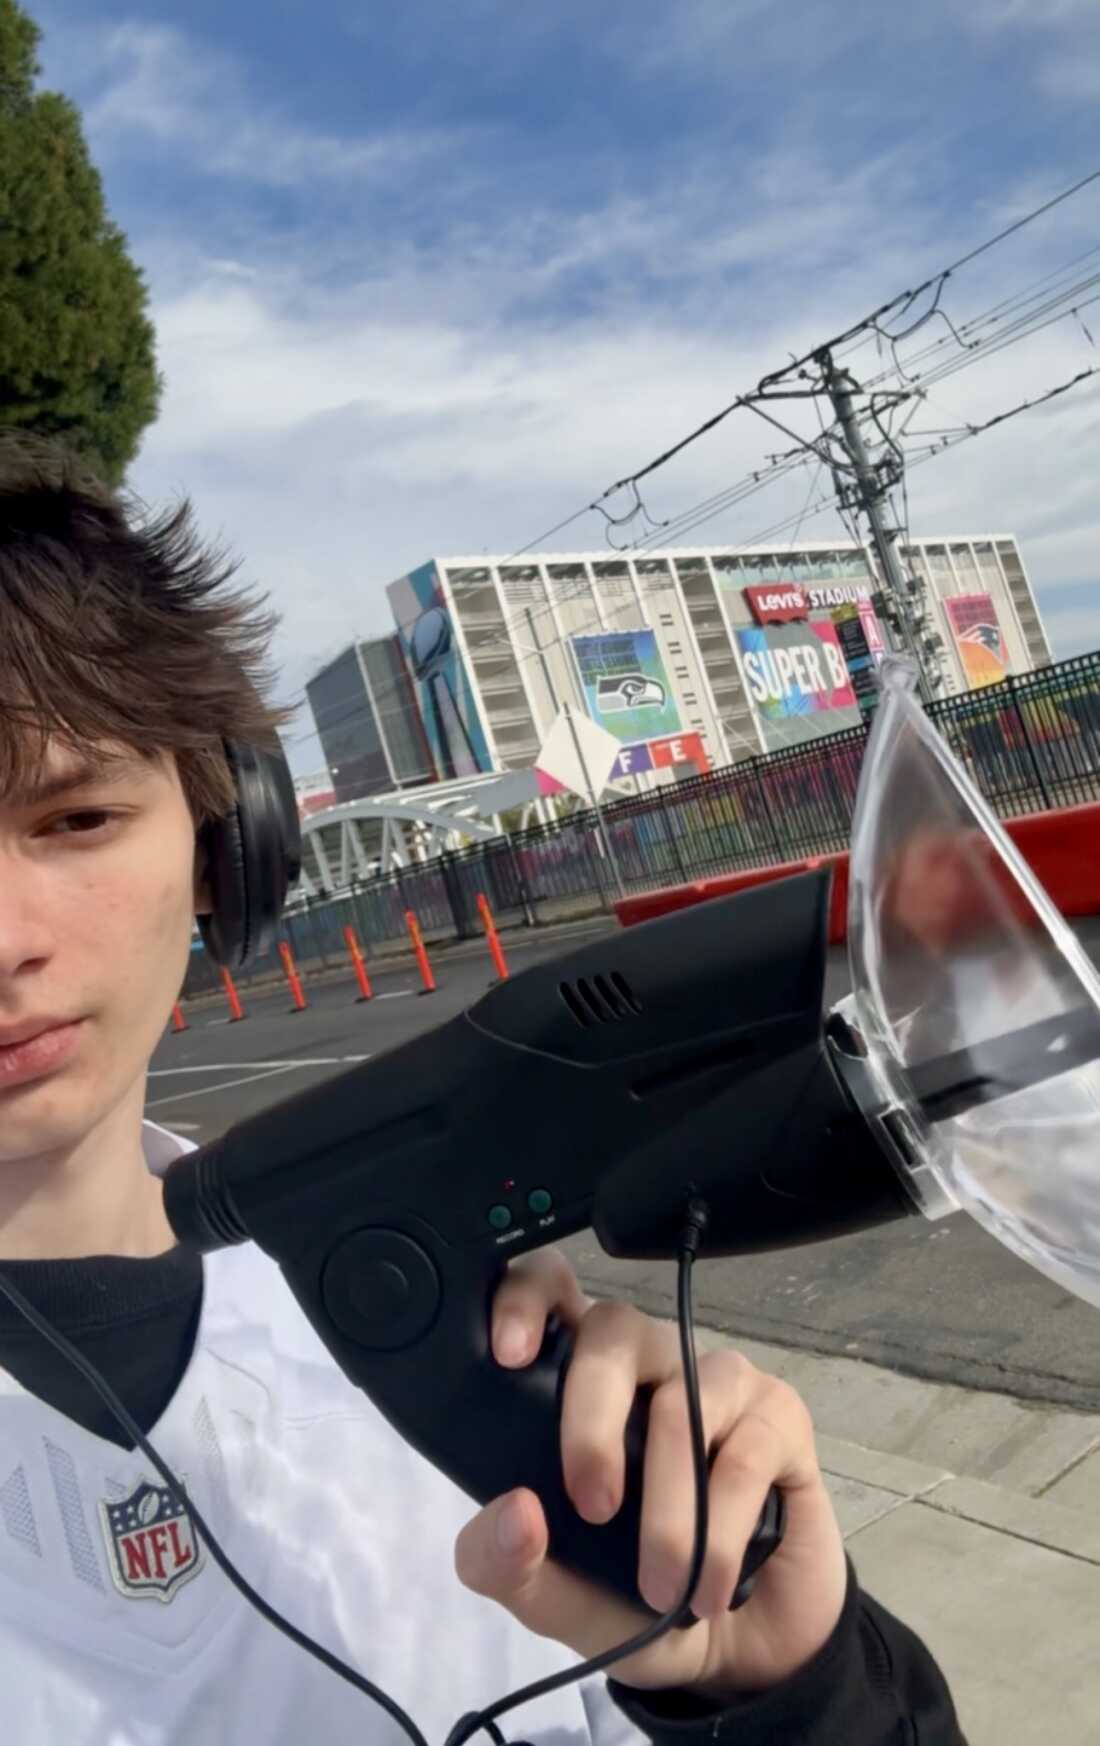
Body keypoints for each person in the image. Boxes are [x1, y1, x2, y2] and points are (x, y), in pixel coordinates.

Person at [0, 432, 967, 1744]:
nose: (7, 938)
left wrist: (786, 1691)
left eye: (76, 820)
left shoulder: (454, 1364)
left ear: (227, 850)